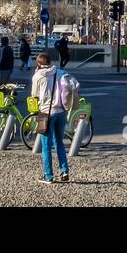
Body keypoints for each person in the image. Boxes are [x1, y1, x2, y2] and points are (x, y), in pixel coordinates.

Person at [31, 53, 79, 184]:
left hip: (46, 113)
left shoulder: (38, 76)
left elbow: (34, 95)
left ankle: (48, 176)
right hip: (61, 112)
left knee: (46, 145)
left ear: (39, 64)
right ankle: (64, 171)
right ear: (50, 62)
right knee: (59, 143)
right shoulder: (60, 72)